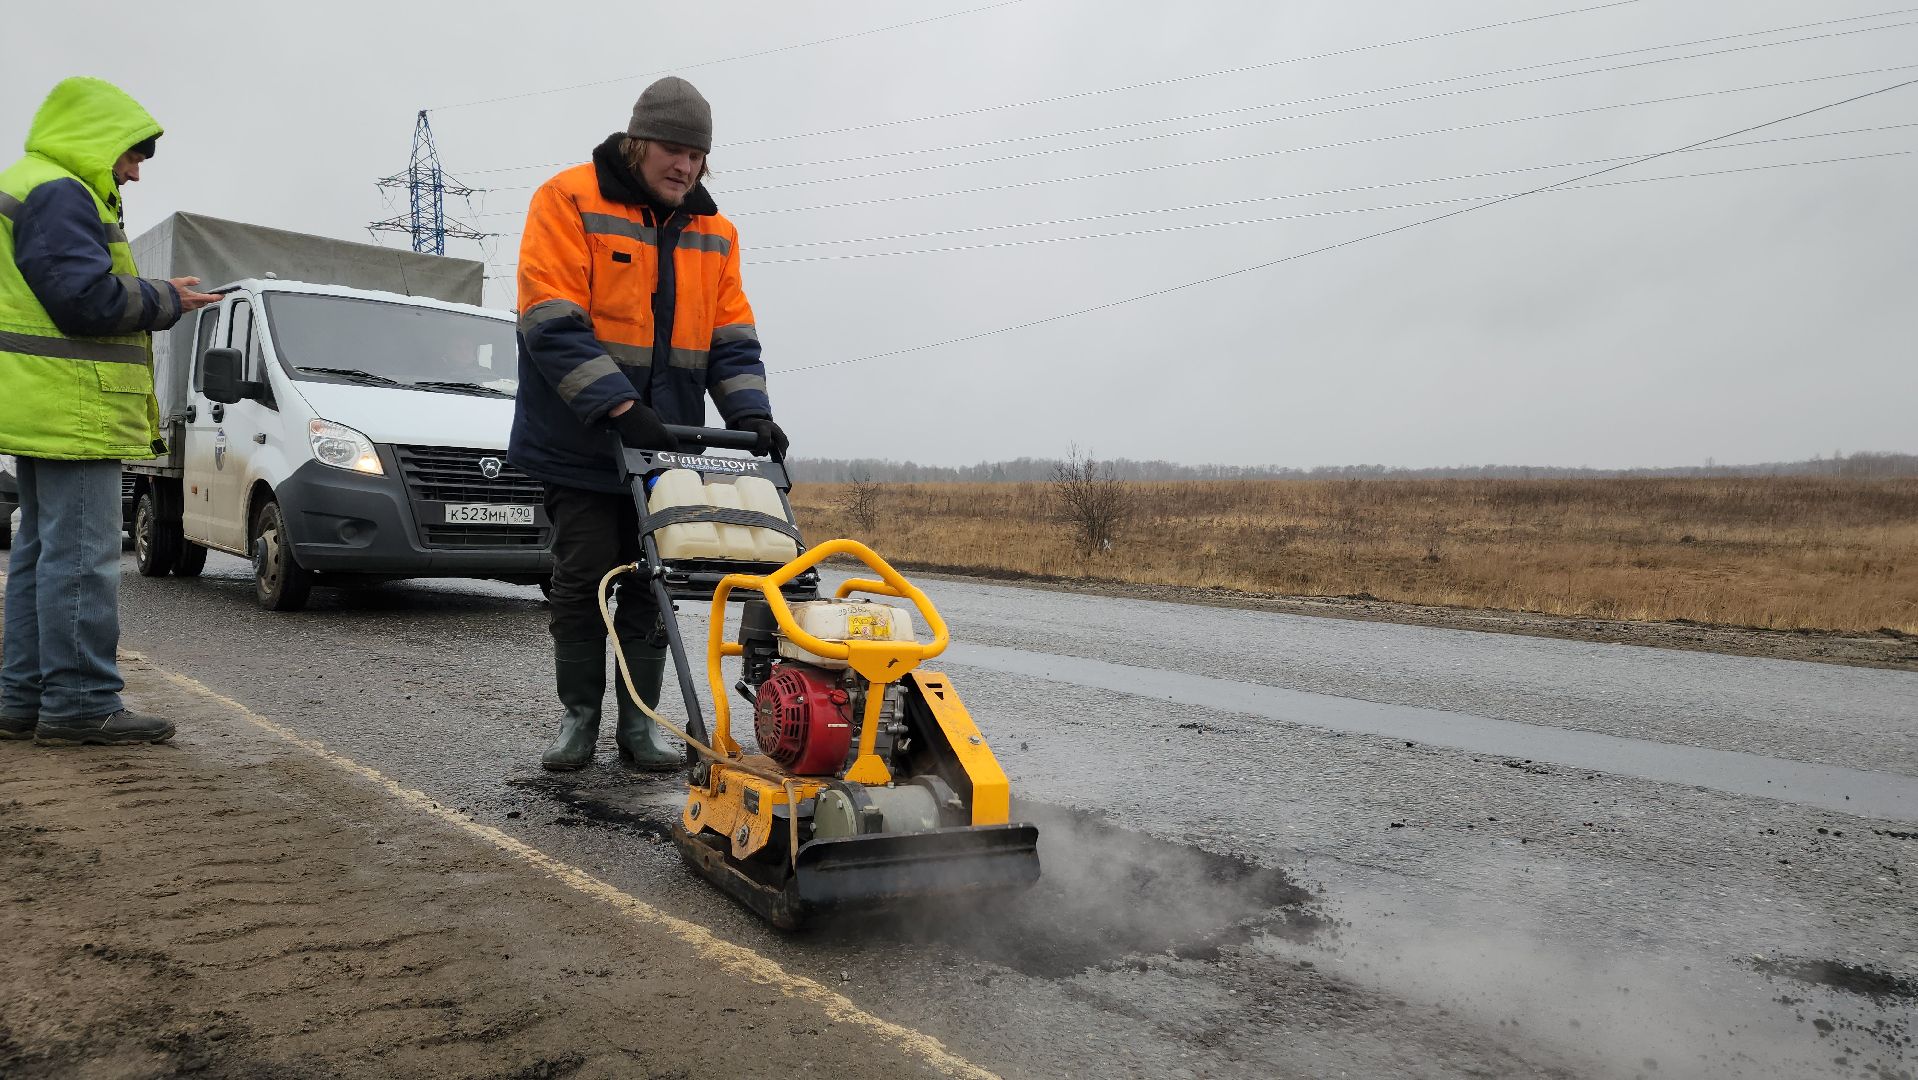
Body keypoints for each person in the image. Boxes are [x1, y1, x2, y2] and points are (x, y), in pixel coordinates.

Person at [509, 76, 787, 771]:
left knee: (652, 579)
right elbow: (550, 320)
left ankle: (640, 725)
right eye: (673, 150)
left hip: (665, 447)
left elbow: (731, 337)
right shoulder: (568, 200)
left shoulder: (716, 233)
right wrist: (619, 405)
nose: (685, 166)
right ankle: (579, 718)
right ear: (639, 143)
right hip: (580, 437)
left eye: (696, 155)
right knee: (583, 578)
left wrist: (751, 413)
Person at [0, 78, 219, 746]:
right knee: (81, 560)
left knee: (41, 555)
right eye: (132, 156)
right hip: (74, 407)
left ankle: (23, 697)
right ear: (97, 141)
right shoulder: (61, 191)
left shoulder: (32, 183)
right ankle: (80, 701)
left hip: (44, 402)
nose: (135, 172)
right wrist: (165, 298)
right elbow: (84, 301)